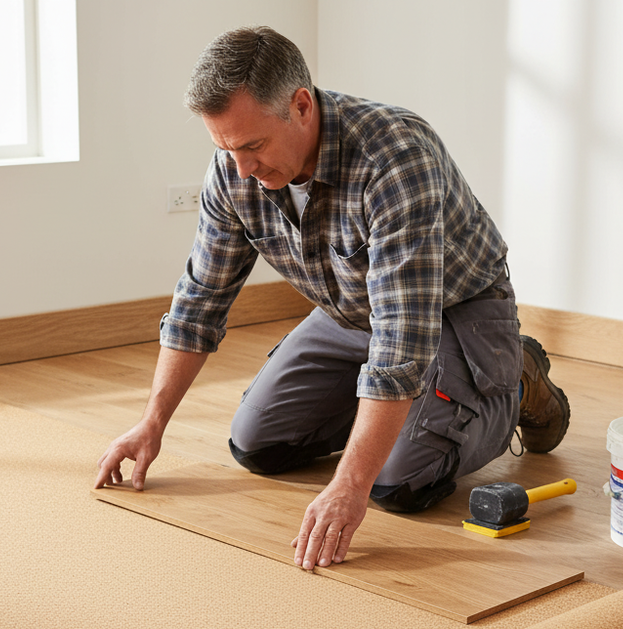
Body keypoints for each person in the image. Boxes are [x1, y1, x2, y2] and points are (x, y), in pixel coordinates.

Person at [95, 25, 569, 572]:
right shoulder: (234, 170)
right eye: (225, 148)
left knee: (396, 481)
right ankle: (406, 415)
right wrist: (152, 422)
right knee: (257, 446)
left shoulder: (394, 156)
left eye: (252, 146)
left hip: (452, 313)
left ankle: (514, 376)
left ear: (301, 106)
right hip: (351, 311)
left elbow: (401, 339)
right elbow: (200, 300)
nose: (242, 169)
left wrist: (350, 483)